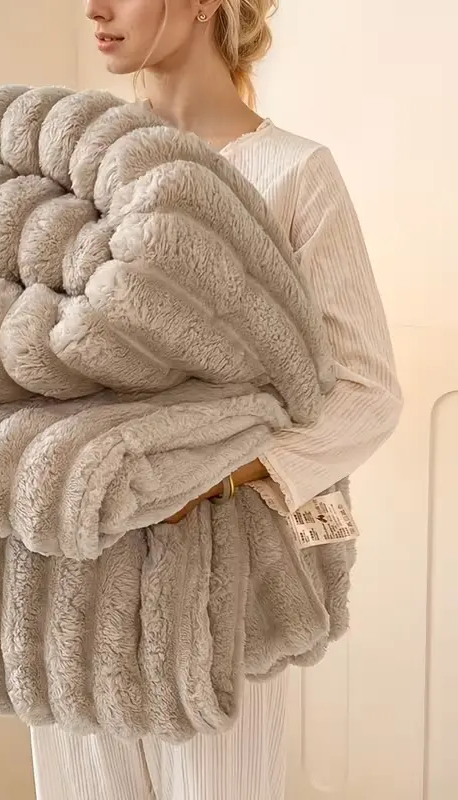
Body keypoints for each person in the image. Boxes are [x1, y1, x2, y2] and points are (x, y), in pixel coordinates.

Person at [30, 1, 403, 798]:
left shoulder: (293, 173)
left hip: (217, 580)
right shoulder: (69, 163)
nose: (93, 8)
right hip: (72, 573)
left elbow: (367, 388)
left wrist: (213, 478)